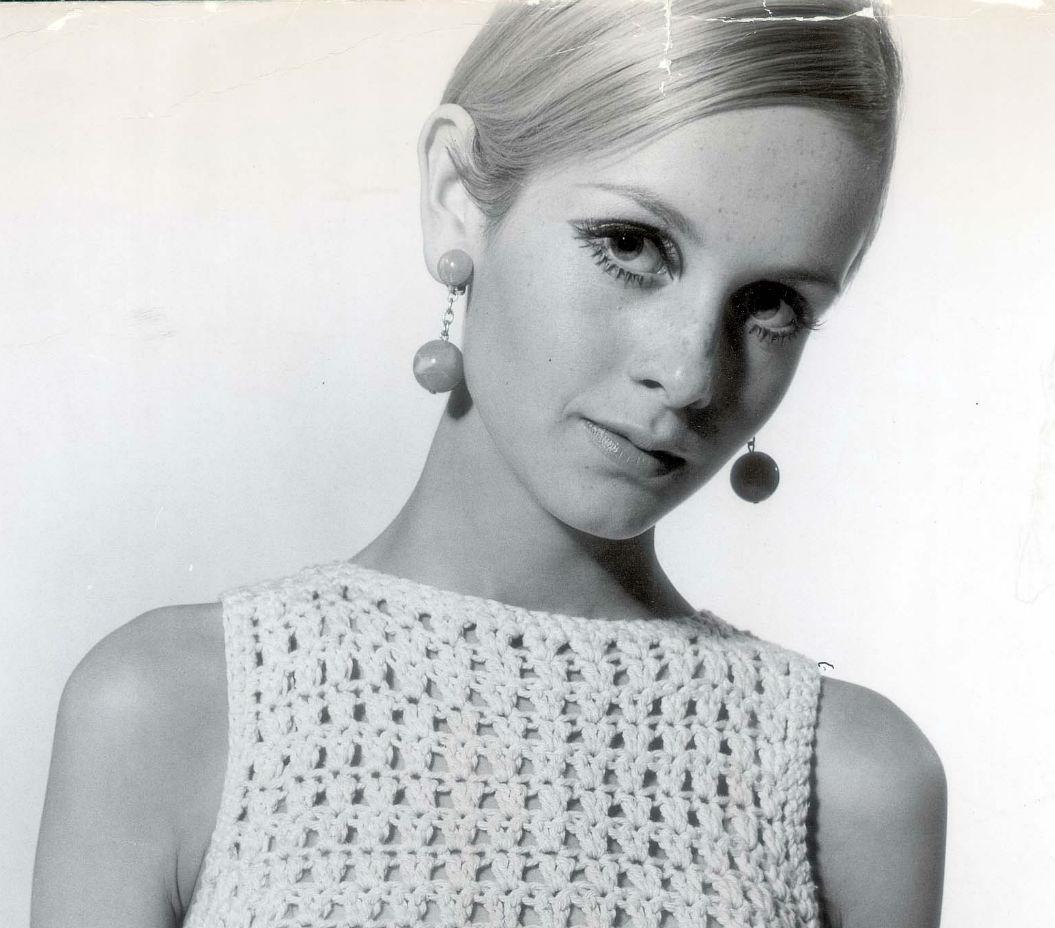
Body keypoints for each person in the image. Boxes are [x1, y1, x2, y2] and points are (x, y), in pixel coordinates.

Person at [30, 1, 946, 926]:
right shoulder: (170, 711)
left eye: (773, 302)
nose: (688, 373)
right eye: (632, 245)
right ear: (457, 197)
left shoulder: (856, 784)